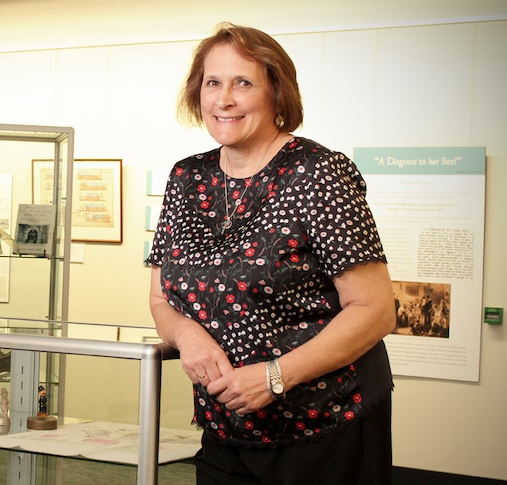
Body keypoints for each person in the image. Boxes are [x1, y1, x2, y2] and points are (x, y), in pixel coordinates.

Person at [147, 23, 396, 485]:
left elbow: (376, 310)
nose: (224, 99)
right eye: (213, 83)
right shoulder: (186, 177)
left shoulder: (319, 173)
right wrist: (187, 336)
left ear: (277, 93)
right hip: (227, 427)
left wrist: (274, 377)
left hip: (325, 424)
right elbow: (161, 297)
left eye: (243, 82)